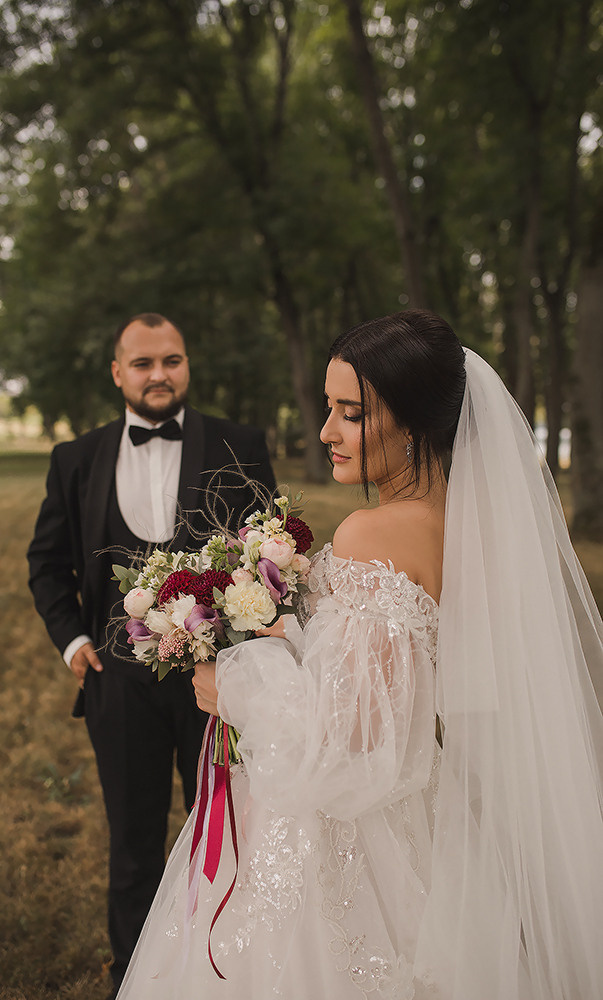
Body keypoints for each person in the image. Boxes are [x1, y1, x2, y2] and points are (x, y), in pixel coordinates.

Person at [116, 310, 603, 1000]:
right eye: (328, 407)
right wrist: (291, 639)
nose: (325, 433)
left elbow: (351, 745)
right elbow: (395, 688)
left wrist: (236, 688)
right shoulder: (473, 528)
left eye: (352, 414)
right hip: (431, 816)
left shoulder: (372, 531)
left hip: (348, 844)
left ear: (415, 426)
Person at [27, 312, 276, 996]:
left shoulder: (239, 443)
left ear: (186, 364)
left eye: (171, 360)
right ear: (118, 373)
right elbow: (46, 564)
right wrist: (75, 644)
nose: (158, 374)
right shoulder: (75, 459)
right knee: (133, 846)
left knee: (225, 833)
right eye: (143, 363)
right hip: (118, 687)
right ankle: (132, 979)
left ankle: (225, 972)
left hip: (220, 683)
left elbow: (267, 551)